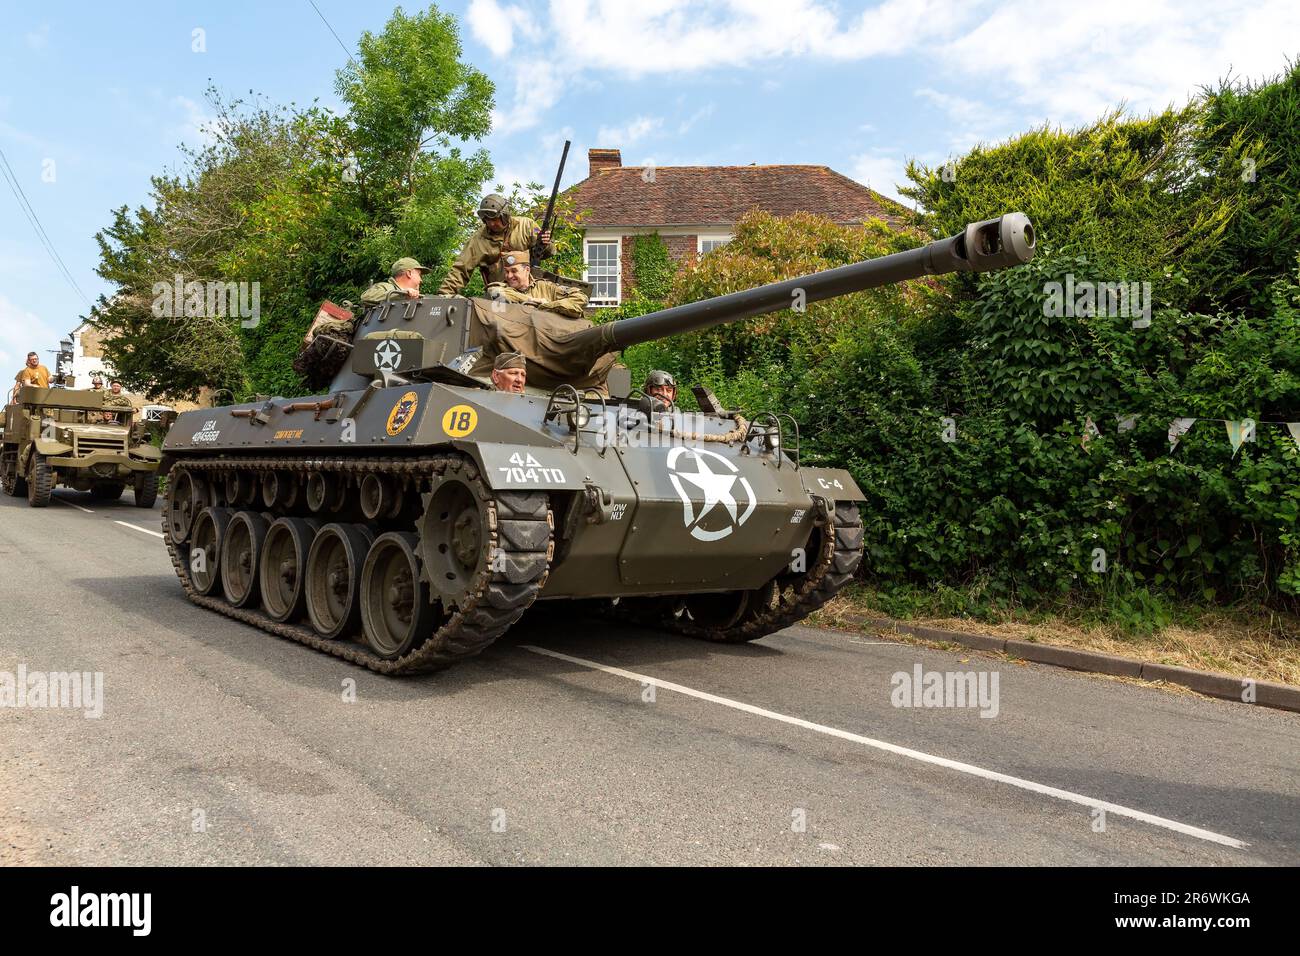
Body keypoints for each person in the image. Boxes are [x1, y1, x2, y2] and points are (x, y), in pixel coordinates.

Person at [437, 194, 554, 296]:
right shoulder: (478, 239)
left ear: (504, 215)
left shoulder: (526, 226)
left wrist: (546, 243)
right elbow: (460, 269)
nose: (491, 223)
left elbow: (548, 252)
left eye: (495, 219)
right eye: (487, 220)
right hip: (500, 296)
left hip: (530, 291)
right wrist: (444, 295)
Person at [484, 251, 588, 320]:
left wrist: (547, 306)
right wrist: (532, 301)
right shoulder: (501, 288)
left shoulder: (546, 287)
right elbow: (494, 293)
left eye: (514, 271)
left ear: (527, 270)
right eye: (506, 272)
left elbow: (581, 297)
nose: (509, 276)